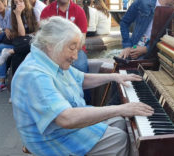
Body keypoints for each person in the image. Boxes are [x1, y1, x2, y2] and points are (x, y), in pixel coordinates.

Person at [11, 16, 154, 156]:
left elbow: (81, 78)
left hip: (59, 129)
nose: (75, 57)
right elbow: (65, 118)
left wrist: (115, 76)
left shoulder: (49, 59)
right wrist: (121, 108)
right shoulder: (34, 74)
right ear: (51, 44)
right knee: (118, 139)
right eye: (72, 48)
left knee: (119, 122)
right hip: (48, 139)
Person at [40, 0, 89, 73]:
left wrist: (69, 51)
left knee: (80, 66)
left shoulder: (79, 11)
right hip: (54, 50)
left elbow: (82, 39)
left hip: (75, 49)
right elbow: (44, 36)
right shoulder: (47, 11)